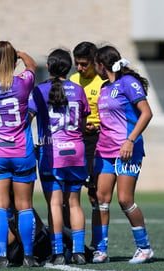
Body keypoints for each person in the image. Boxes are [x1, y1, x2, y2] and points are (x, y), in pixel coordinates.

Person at [0, 41, 38, 268]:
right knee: (25, 205)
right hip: (22, 151)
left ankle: (2, 256)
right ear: (13, 61)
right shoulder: (22, 84)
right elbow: (33, 67)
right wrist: (20, 54)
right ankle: (29, 257)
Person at [91, 45, 154, 264]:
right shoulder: (104, 87)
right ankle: (100, 250)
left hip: (127, 149)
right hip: (104, 150)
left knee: (125, 200)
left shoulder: (128, 83)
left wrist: (130, 140)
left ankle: (144, 248)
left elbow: (147, 113)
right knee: (100, 199)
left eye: (94, 64)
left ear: (101, 65)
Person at [29, 49, 90, 265]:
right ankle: (79, 251)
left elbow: (27, 118)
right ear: (69, 67)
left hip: (51, 152)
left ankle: (57, 253)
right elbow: (82, 124)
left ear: (48, 67)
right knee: (74, 203)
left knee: (54, 204)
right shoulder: (79, 90)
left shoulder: (40, 91)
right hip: (76, 152)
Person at [69, 42, 106, 249]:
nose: (80, 69)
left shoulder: (102, 83)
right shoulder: (72, 80)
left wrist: (97, 126)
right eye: (77, 64)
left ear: (94, 63)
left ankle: (98, 244)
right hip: (73, 140)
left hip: (96, 141)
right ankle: (68, 243)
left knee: (95, 195)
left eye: (84, 64)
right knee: (67, 192)